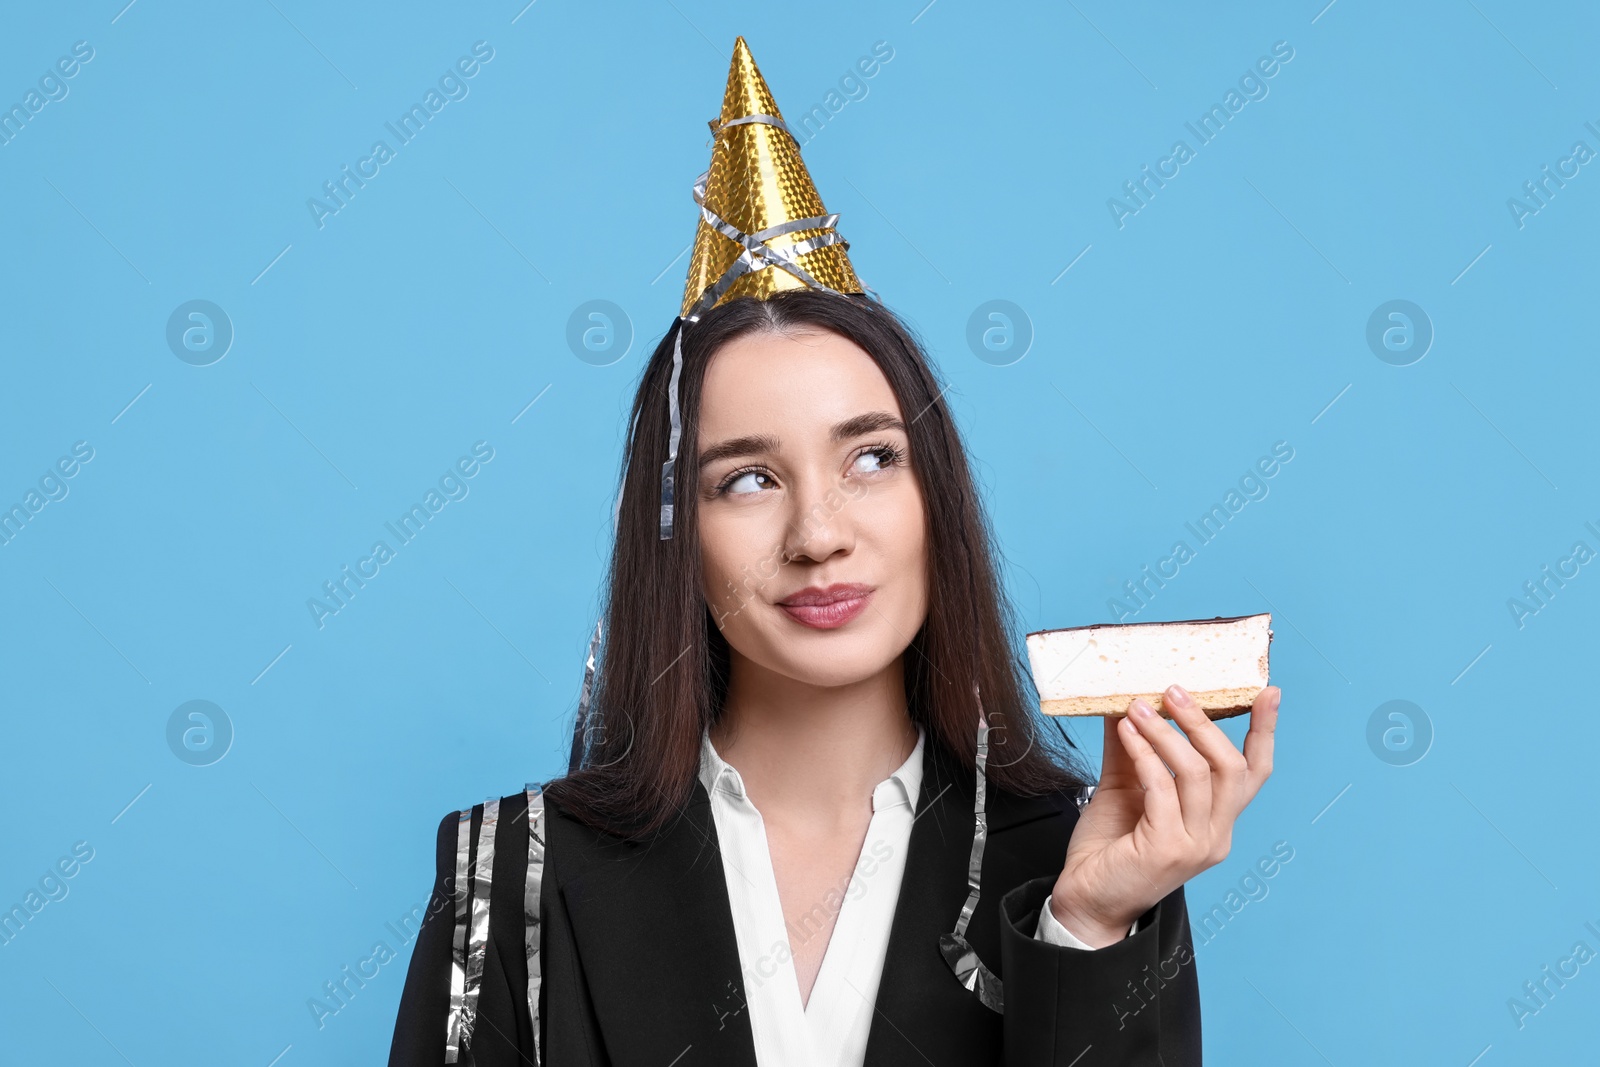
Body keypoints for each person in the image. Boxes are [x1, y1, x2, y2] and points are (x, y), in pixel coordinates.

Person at [387, 37, 1278, 1067]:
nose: (818, 534)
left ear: (933, 495)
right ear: (674, 533)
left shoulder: (1076, 862)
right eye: (747, 478)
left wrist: (1085, 927)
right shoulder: (516, 876)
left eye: (869, 458)